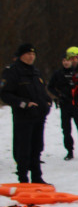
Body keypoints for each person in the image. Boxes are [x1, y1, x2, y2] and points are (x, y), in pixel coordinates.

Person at [0, 44, 51, 183]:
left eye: (33, 54)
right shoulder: (12, 72)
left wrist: (47, 102)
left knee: (37, 147)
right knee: (24, 149)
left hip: (39, 116)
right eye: (28, 54)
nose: (31, 57)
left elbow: (42, 91)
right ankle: (23, 178)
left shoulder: (35, 71)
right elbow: (5, 94)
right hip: (23, 117)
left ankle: (37, 177)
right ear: (21, 55)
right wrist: (24, 103)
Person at [47, 54, 77, 160]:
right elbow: (50, 87)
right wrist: (59, 95)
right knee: (66, 129)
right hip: (65, 104)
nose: (66, 62)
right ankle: (70, 150)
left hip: (77, 104)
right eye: (64, 60)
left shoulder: (76, 72)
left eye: (68, 60)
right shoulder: (58, 73)